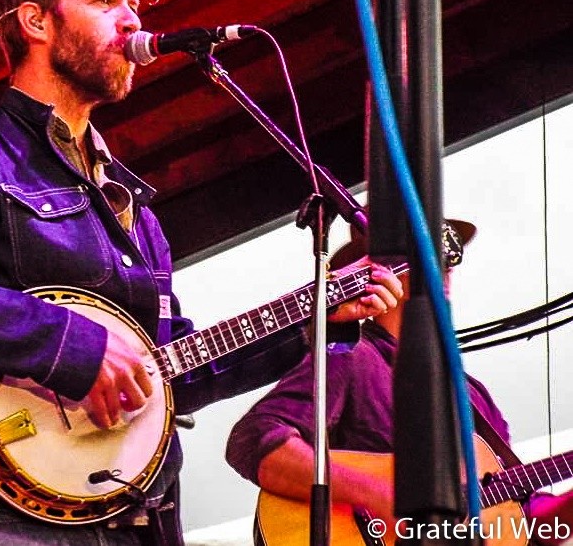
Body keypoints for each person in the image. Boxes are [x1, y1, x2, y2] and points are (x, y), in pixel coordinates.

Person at [0, 0, 401, 546]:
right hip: (11, 516)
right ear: (36, 22)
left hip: (144, 518)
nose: (131, 21)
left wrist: (312, 321)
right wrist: (72, 345)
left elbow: (177, 371)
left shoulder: (134, 208)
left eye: (133, 5)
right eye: (104, 2)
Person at [226, 220, 573, 545]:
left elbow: (523, 515)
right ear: (378, 271)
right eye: (428, 254)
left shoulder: (473, 395)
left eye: (448, 258)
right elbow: (252, 440)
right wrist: (373, 490)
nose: (446, 267)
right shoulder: (352, 356)